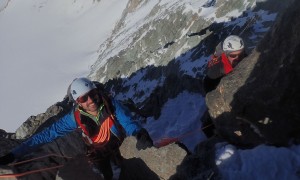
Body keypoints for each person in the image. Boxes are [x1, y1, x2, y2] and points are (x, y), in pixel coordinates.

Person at [0, 77, 153, 180]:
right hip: (98, 155)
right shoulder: (76, 117)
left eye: (93, 94)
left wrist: (139, 133)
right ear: (77, 102)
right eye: (83, 98)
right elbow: (48, 134)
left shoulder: (110, 104)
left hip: (118, 149)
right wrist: (14, 154)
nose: (91, 100)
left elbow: (127, 122)